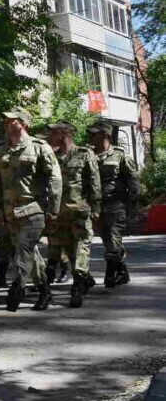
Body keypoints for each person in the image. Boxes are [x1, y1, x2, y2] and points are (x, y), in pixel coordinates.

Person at [0, 107, 62, 312]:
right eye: (4, 120)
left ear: (22, 123)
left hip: (32, 210)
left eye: (10, 120)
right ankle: (44, 290)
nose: (5, 123)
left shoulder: (40, 147)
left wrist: (54, 208)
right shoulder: (1, 150)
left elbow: (55, 178)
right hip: (9, 212)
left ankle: (18, 287)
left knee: (23, 249)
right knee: (29, 253)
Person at [46, 119, 101, 307]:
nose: (49, 136)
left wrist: (96, 208)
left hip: (79, 211)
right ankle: (86, 279)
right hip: (59, 214)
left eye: (53, 133)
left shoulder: (84, 154)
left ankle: (76, 288)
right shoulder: (52, 157)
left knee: (82, 248)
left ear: (64, 134)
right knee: (69, 251)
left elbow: (94, 183)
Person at [87, 120, 140, 287]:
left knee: (113, 238)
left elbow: (133, 182)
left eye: (94, 134)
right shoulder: (88, 154)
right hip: (96, 205)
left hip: (116, 204)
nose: (90, 136)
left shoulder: (120, 155)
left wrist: (133, 207)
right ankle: (123, 272)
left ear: (105, 135)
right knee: (107, 240)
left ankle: (110, 275)